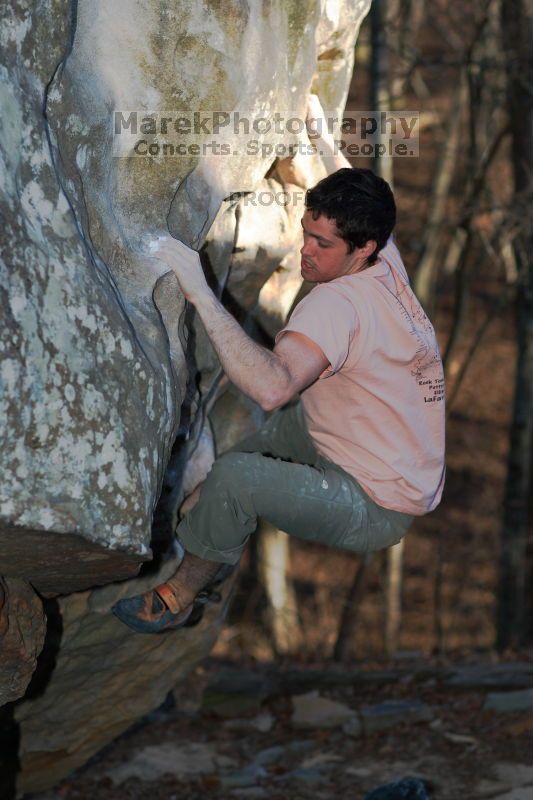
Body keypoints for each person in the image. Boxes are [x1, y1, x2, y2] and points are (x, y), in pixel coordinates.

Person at [113, 97, 445, 634]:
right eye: (305, 232)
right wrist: (318, 133)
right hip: (354, 435)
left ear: (363, 249)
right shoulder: (385, 257)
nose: (305, 252)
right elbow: (344, 179)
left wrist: (198, 289)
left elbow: (272, 387)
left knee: (237, 479)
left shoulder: (339, 305)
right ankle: (214, 529)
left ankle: (179, 596)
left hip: (375, 501)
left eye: (322, 243)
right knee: (218, 490)